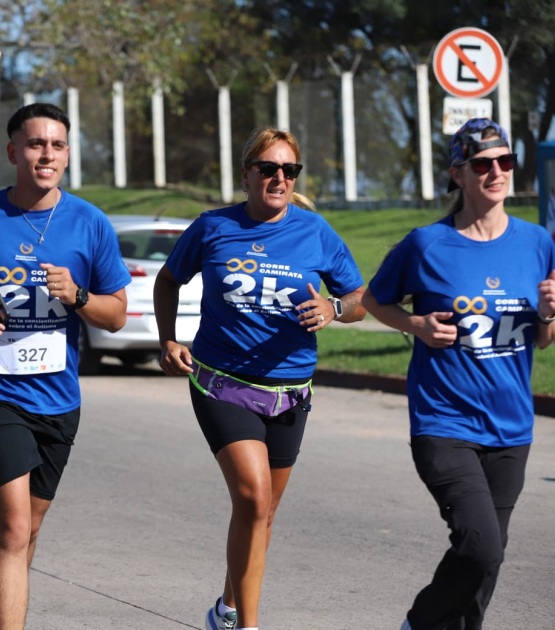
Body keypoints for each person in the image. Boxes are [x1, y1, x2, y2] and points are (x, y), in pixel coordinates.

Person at [0, 102, 130, 630]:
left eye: (57, 145)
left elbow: (118, 315)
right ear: (13, 151)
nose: (46, 154)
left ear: (68, 154)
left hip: (59, 400)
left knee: (28, 531)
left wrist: (78, 296)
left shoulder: (89, 222)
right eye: (36, 144)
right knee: (11, 530)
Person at [154, 127, 367, 630]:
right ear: (247, 173)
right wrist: (168, 338)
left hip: (290, 391)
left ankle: (225, 608)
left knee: (262, 515)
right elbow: (168, 279)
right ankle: (247, 625)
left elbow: (363, 299)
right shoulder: (213, 227)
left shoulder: (316, 232)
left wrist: (334, 307)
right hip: (220, 381)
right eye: (268, 168)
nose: (279, 178)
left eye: (288, 170)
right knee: (252, 497)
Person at [361, 118, 555, 630]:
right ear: (458, 174)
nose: (497, 172)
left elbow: (544, 337)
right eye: (482, 164)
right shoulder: (428, 244)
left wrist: (548, 314)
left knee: (486, 562)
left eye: (506, 161)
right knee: (480, 546)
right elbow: (372, 300)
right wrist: (416, 325)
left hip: (511, 428)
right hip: (444, 423)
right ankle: (419, 623)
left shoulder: (537, 242)